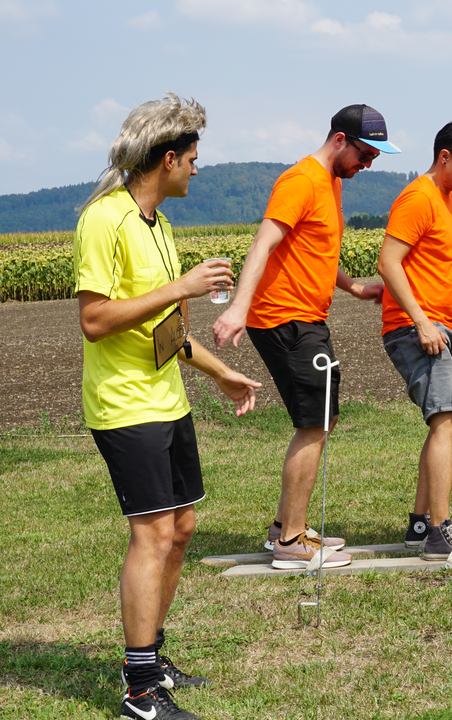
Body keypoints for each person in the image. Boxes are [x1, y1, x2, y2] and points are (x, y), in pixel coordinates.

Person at [75, 93, 261, 720]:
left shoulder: (161, 226)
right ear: (168, 158)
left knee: (179, 530)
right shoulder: (105, 219)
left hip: (167, 400)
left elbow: (169, 333)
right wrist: (181, 287)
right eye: (194, 159)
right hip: (125, 407)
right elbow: (95, 320)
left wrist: (224, 376)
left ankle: (151, 656)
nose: (198, 170)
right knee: (151, 535)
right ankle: (138, 694)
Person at [212, 105, 395, 569]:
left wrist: (352, 286)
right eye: (365, 154)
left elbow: (314, 249)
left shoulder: (330, 183)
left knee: (324, 417)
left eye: (374, 157)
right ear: (339, 140)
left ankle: (284, 526)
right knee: (313, 423)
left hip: (306, 317)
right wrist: (237, 307)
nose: (368, 165)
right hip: (282, 319)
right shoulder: (300, 181)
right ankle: (291, 542)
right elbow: (265, 243)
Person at [378, 121, 452, 562]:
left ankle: (422, 523)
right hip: (417, 330)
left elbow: (438, 261)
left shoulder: (446, 199)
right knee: (444, 420)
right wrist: (422, 321)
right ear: (445, 157)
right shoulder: (418, 197)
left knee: (449, 421)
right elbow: (389, 263)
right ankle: (439, 535)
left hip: (440, 324)